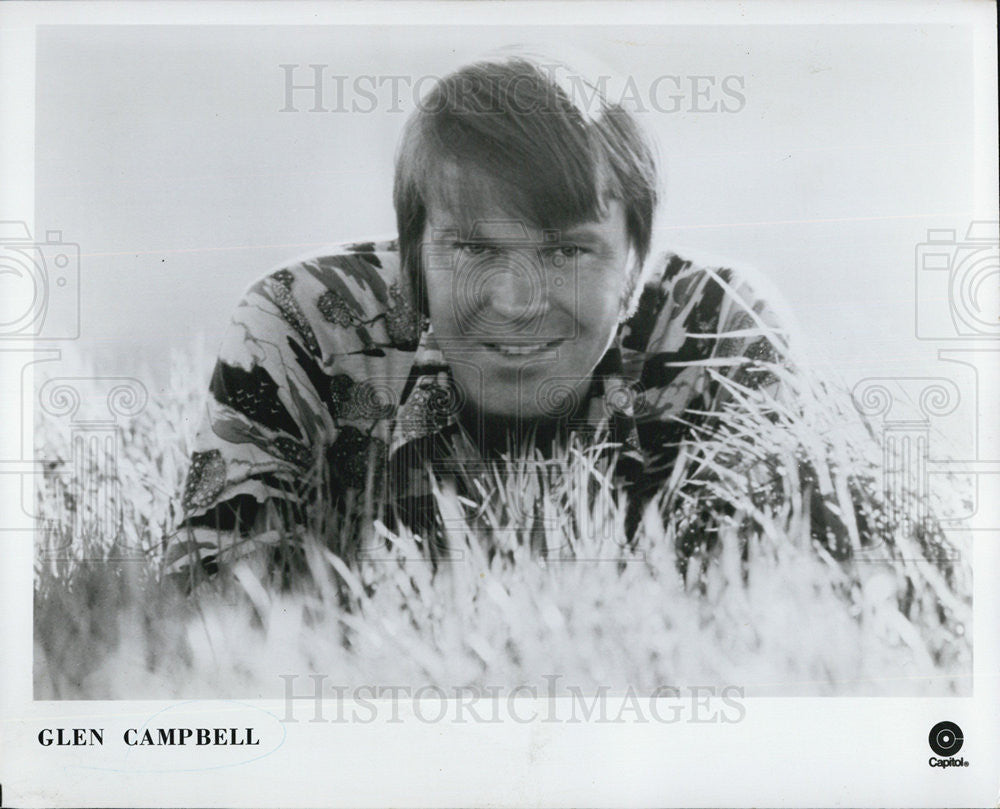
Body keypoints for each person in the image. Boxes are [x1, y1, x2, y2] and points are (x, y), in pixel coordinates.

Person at [163, 55, 891, 584]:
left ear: (637, 261)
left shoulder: (713, 330)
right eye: (474, 247)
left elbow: (763, 601)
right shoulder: (306, 325)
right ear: (412, 252)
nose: (515, 300)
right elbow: (210, 612)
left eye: (569, 250)